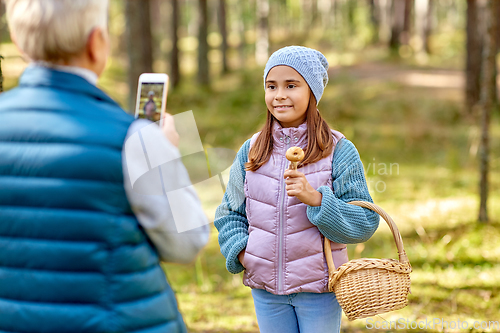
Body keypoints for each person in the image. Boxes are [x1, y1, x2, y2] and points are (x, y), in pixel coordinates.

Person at [0, 1, 209, 332]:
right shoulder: (135, 138)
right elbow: (188, 241)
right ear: (96, 43)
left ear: (18, 39)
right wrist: (167, 153)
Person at [214, 46, 380, 333]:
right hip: (266, 291)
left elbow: (365, 222)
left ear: (312, 92)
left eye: (291, 85)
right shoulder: (252, 150)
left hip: (319, 290)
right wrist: (243, 253)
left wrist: (316, 200)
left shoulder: (338, 150)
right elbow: (229, 211)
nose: (279, 94)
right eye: (271, 86)